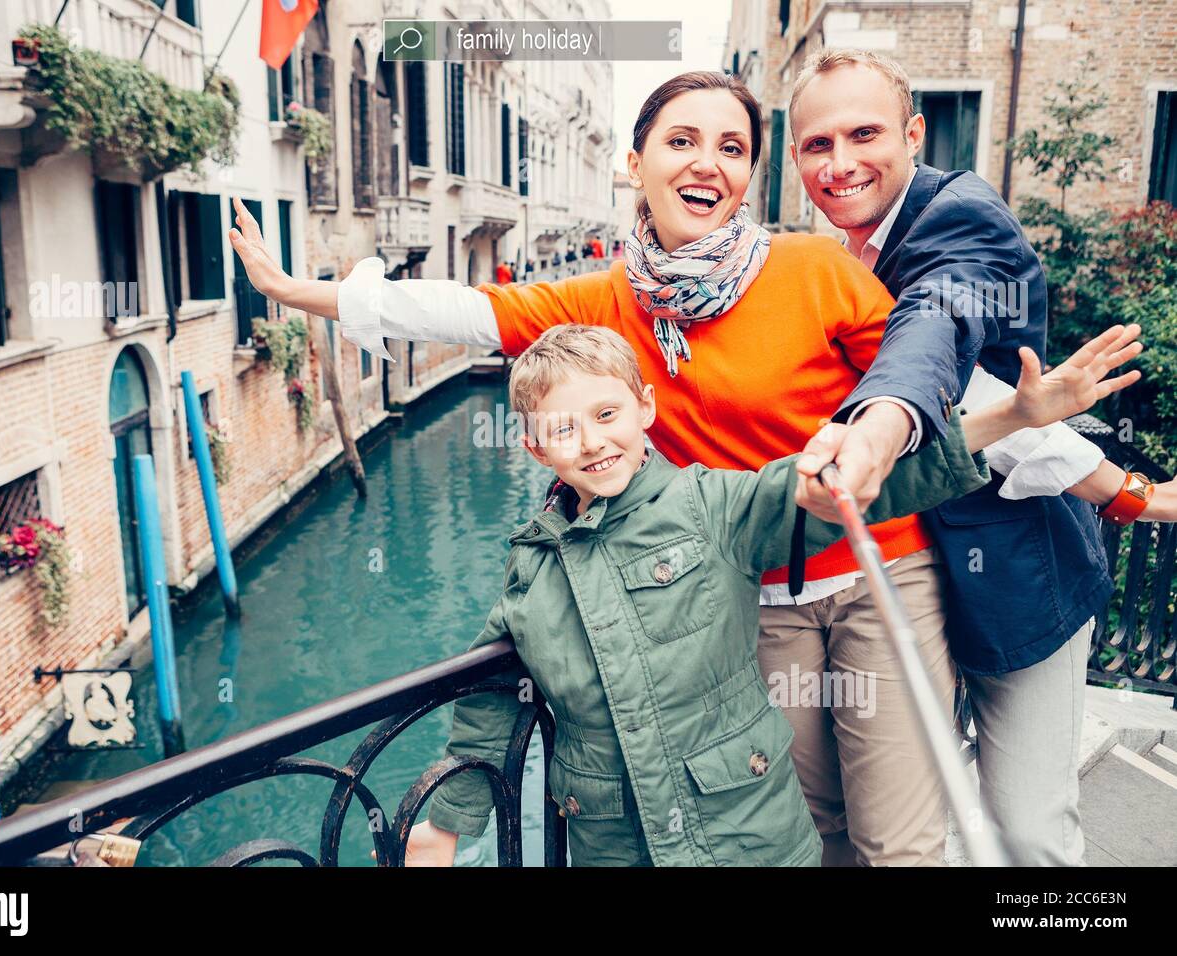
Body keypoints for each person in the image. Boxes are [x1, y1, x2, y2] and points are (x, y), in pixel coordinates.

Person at [224, 69, 1160, 864]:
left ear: (750, 174)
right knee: (815, 822)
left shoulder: (814, 271)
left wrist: (1117, 487)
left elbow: (935, 382)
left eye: (731, 147)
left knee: (900, 837)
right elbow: (462, 311)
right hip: (759, 595)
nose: (705, 162)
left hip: (884, 573)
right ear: (636, 162)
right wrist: (289, 290)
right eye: (681, 141)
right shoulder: (607, 296)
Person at [400, 322, 1133, 866]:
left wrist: (1012, 417)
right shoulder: (530, 565)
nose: (592, 442)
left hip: (745, 830)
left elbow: (866, 485)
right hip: (612, 840)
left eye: (606, 414)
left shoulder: (711, 505)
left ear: (645, 410)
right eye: (563, 428)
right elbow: (492, 703)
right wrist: (449, 823)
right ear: (533, 446)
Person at [786, 48, 1177, 865]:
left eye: (864, 134)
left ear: (914, 133)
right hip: (896, 594)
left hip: (1014, 586)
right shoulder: (821, 260)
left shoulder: (960, 218)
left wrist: (1129, 492)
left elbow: (936, 332)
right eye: (817, 145)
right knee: (908, 825)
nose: (841, 163)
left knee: (1028, 829)